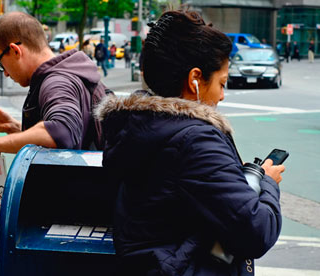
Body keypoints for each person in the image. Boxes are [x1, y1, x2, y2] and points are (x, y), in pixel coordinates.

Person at [95, 10, 284, 275]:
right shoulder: (195, 140)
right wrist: (268, 183)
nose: (222, 96)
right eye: (221, 83)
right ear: (195, 78)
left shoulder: (136, 124)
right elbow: (256, 231)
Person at [0, 11, 108, 181]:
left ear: (15, 51)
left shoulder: (56, 82)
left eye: (0, 63)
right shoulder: (67, 73)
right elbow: (75, 129)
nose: (5, 73)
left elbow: (61, 131)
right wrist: (14, 127)